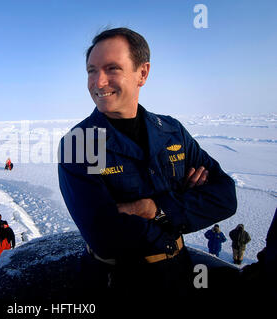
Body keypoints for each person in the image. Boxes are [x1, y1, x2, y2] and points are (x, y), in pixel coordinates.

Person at [58, 27, 237, 301]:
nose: (99, 81)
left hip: (180, 272)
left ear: (142, 73)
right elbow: (105, 235)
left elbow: (226, 197)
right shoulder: (80, 143)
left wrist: (156, 209)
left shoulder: (172, 131)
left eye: (112, 68)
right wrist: (186, 205)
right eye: (92, 70)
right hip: (118, 284)